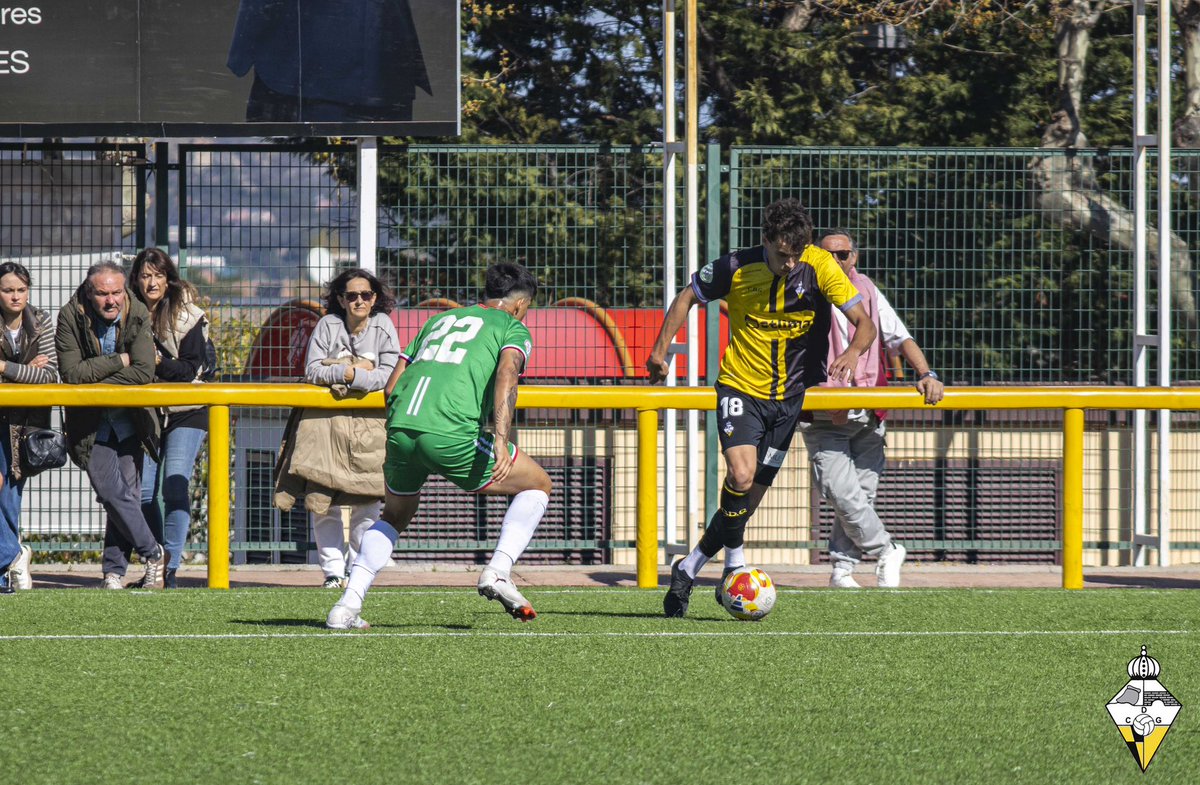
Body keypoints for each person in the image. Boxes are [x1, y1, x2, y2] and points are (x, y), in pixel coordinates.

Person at [646, 198, 879, 617]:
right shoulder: (736, 266)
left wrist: (852, 354)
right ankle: (732, 565)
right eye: (782, 255)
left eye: (796, 255)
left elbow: (866, 323)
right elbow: (687, 297)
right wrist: (660, 353)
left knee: (747, 499)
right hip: (740, 386)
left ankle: (692, 566)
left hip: (789, 398)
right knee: (741, 473)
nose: (790, 264)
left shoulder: (820, 266)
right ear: (765, 240)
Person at [326, 262, 552, 629]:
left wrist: (407, 428)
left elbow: (391, 387)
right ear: (520, 304)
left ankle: (346, 606)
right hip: (449, 431)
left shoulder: (438, 321)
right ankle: (498, 570)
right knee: (539, 484)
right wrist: (499, 438)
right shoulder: (512, 327)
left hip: (401, 426)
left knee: (394, 517)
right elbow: (508, 373)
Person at [801, 229, 944, 588]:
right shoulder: (803, 290)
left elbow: (900, 336)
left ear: (855, 257)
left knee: (861, 495)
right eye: (827, 254)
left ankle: (842, 569)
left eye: (843, 254)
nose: (836, 260)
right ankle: (887, 548)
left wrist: (927, 373)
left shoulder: (867, 289)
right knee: (838, 489)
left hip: (869, 408)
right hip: (824, 410)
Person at [56, 260, 164, 589]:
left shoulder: (138, 311)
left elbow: (145, 371)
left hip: (131, 419)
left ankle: (113, 572)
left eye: (116, 292)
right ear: (89, 294)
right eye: (103, 294)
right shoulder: (69, 315)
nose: (111, 300)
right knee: (109, 491)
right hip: (90, 424)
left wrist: (97, 373)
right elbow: (71, 374)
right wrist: (120, 360)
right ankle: (153, 553)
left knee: (127, 495)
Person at [302, 268, 400, 588]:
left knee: (366, 501)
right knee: (323, 500)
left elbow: (389, 374)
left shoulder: (383, 325)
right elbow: (313, 370)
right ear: (341, 299)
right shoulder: (328, 325)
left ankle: (361, 569)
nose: (359, 301)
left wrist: (347, 374)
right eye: (352, 295)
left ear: (375, 299)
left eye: (366, 295)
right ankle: (332, 571)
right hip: (326, 425)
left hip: (370, 426)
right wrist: (354, 371)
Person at [130, 248, 212, 589]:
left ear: (169, 279)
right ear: (136, 278)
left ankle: (172, 567)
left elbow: (190, 368)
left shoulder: (187, 314)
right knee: (144, 491)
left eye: (159, 275)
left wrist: (157, 362)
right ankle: (155, 559)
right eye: (146, 275)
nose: (152, 282)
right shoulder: (126, 312)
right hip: (145, 409)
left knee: (175, 484)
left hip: (187, 407)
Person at [0, 262, 57, 593]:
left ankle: (4, 568)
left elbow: (49, 375)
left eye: (21, 289)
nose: (15, 296)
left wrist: (7, 366)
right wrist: (25, 369)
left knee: (9, 497)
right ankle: (11, 553)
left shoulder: (41, 320)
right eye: (8, 290)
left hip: (25, 424)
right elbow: (34, 373)